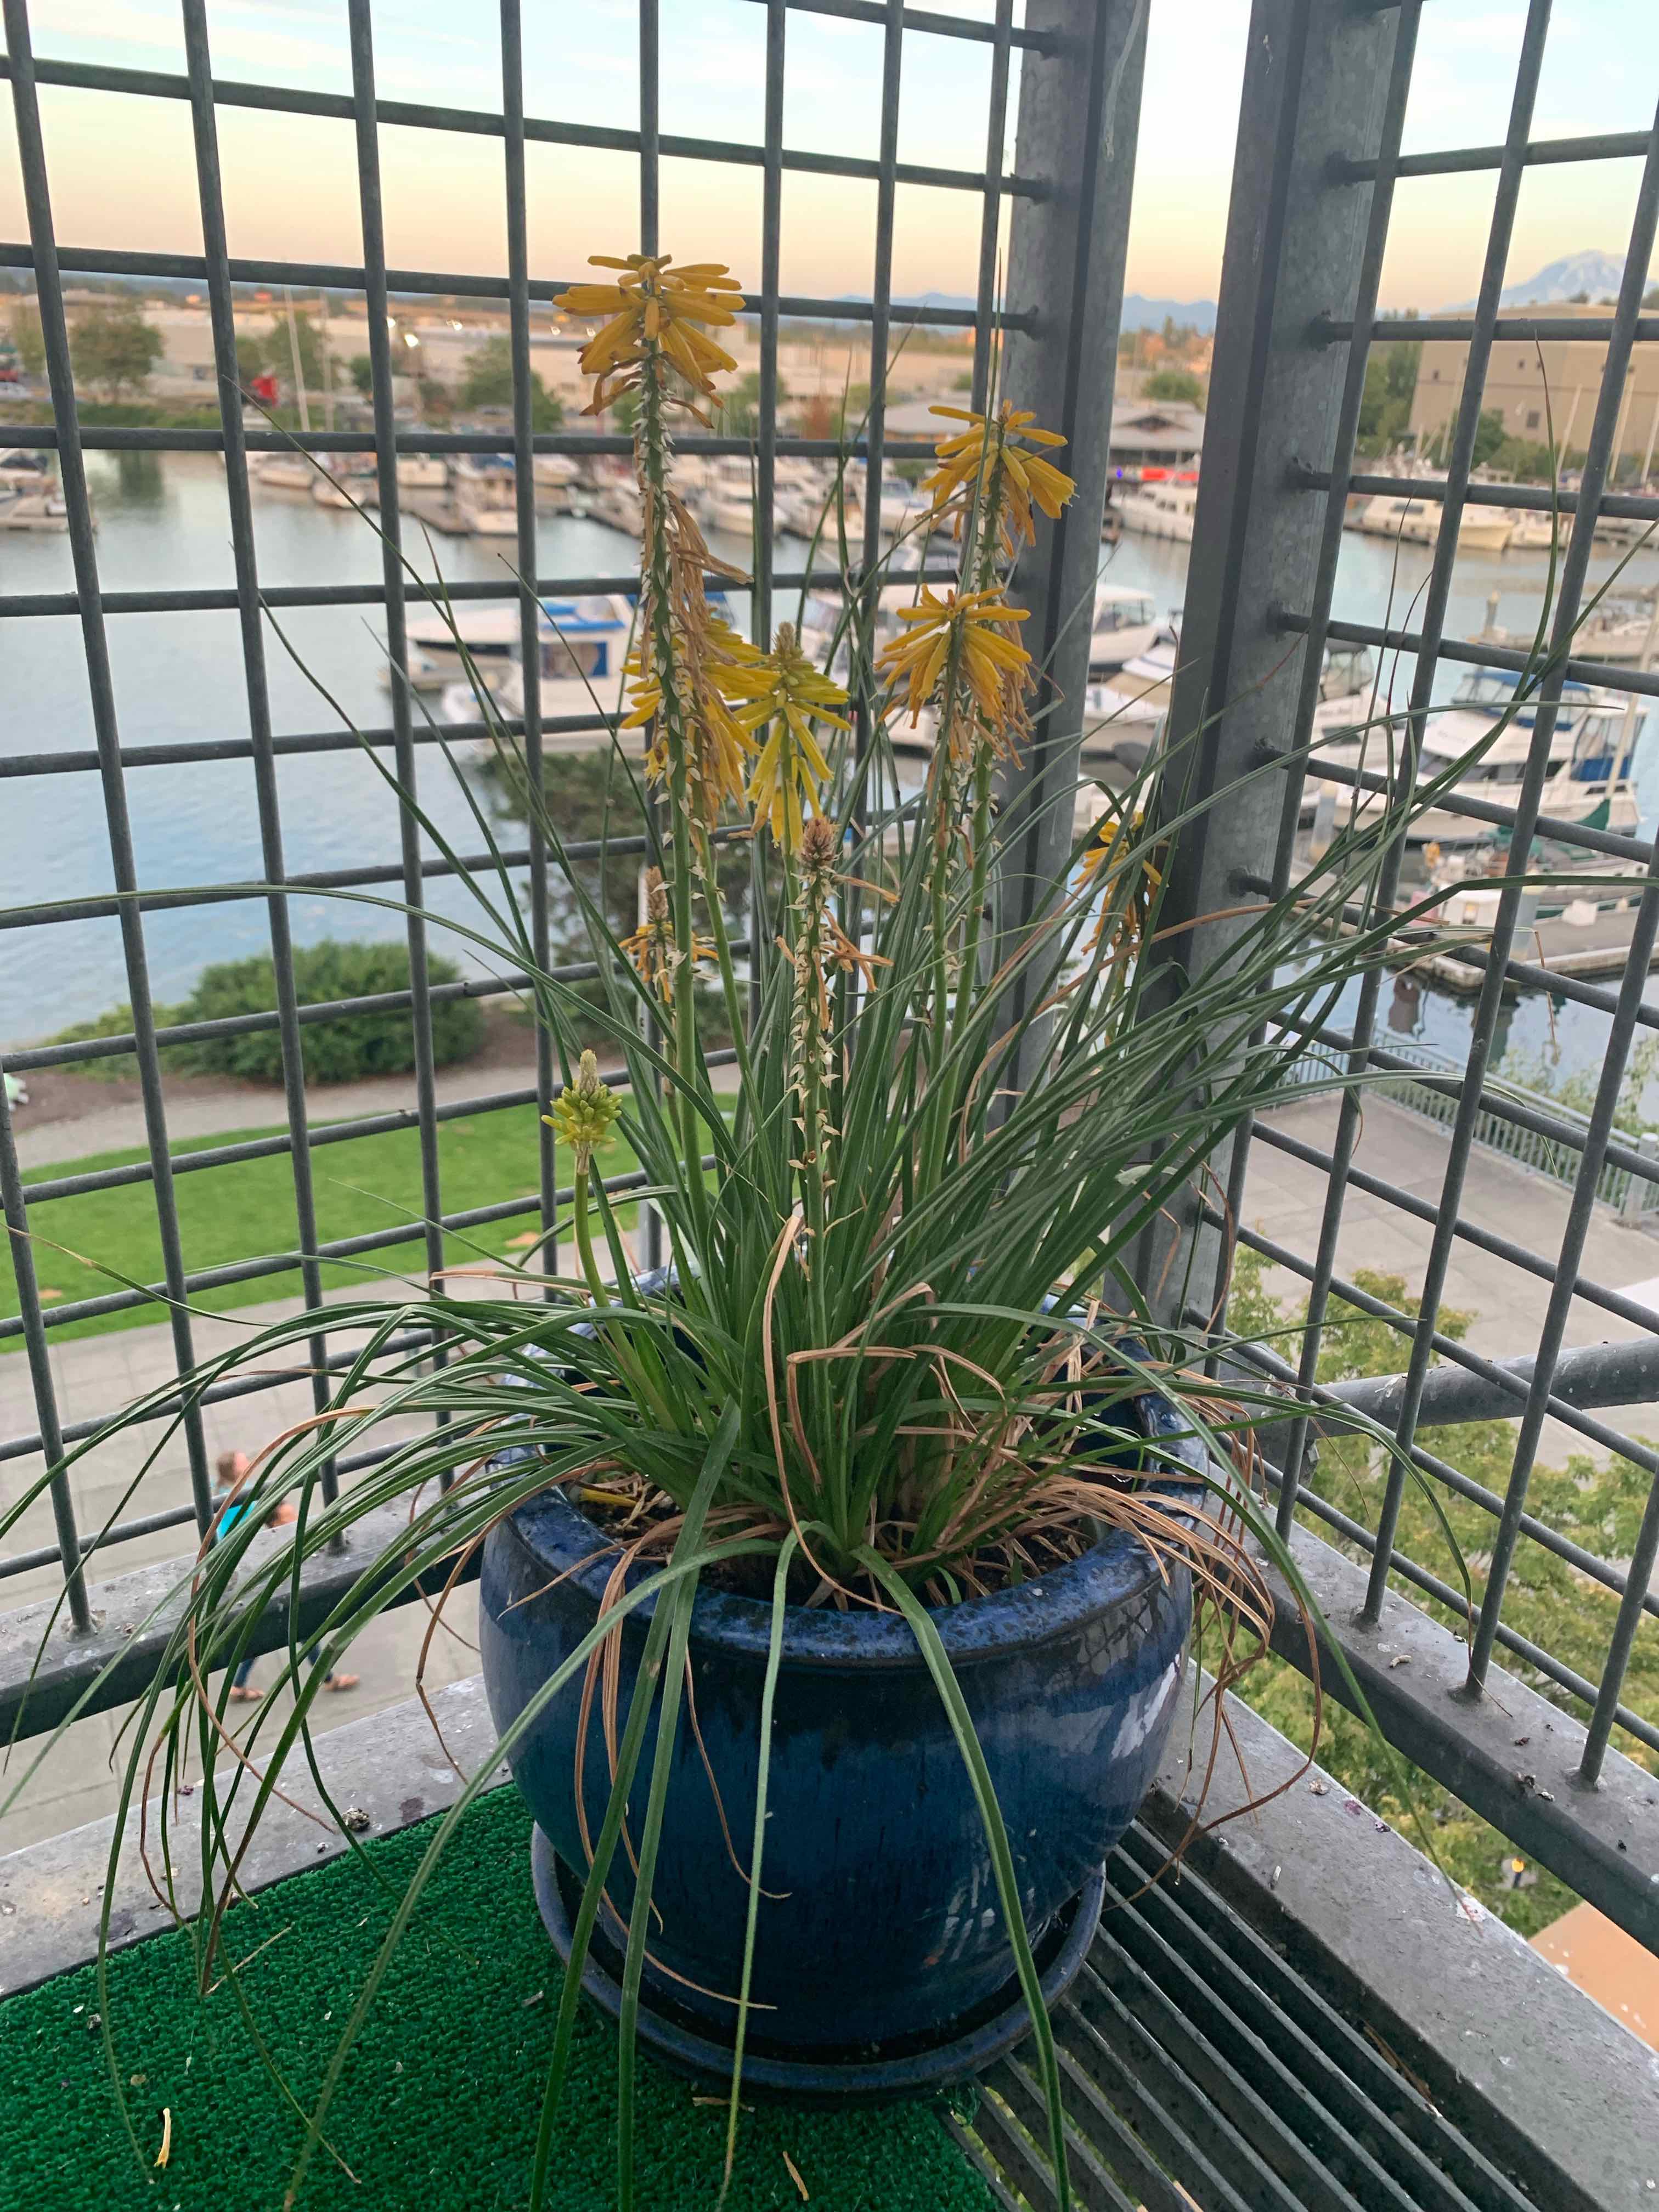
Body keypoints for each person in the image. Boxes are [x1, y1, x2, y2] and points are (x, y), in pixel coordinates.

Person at [211, 1449, 358, 1701]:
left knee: (264, 1635)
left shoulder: (233, 1490)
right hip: (247, 1567)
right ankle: (328, 1679)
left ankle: (238, 1685)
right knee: (298, 1632)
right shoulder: (239, 1500)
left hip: (245, 1568)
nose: (249, 1462)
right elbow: (256, 1521)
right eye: (243, 1461)